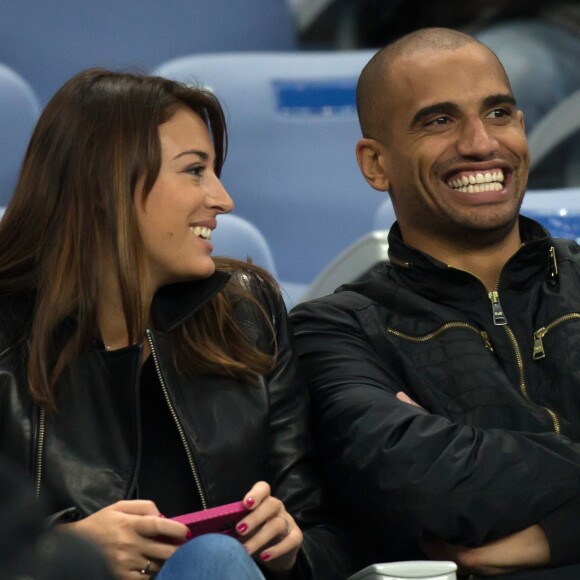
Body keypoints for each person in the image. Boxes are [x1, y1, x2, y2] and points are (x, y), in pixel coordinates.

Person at [0, 68, 357, 580]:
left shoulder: (247, 314)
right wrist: (61, 554)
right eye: (195, 171)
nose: (222, 200)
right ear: (105, 184)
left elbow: (329, 536)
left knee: (217, 560)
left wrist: (292, 546)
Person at [291, 27, 580, 577]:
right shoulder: (332, 330)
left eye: (498, 113)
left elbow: (463, 476)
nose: (480, 143)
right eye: (439, 121)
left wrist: (547, 538)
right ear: (376, 163)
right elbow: (421, 486)